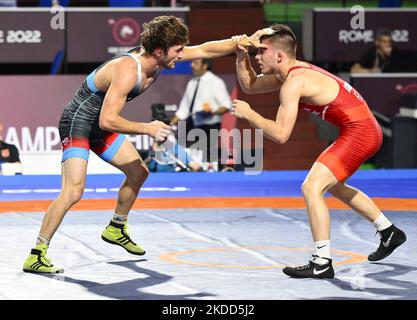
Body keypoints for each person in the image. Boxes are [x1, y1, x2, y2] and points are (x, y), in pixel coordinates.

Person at [22, 15, 252, 274]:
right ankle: (36, 254)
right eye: (178, 51)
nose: (182, 56)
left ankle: (116, 227)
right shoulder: (128, 70)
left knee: (138, 171)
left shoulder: (161, 55)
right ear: (159, 51)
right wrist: (147, 127)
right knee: (74, 191)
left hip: (99, 126)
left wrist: (239, 43)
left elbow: (206, 49)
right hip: (78, 123)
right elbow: (108, 119)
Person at [231, 24, 406, 279]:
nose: (256, 57)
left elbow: (281, 134)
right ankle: (388, 231)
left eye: (260, 52)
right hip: (362, 129)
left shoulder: (294, 81)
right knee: (332, 185)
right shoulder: (289, 74)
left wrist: (249, 114)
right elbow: (249, 85)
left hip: (361, 132)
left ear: (279, 55)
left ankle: (322, 261)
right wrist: (240, 56)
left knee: (311, 187)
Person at [170, 58, 231, 162]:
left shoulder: (215, 82)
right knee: (180, 151)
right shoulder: (192, 82)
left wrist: (211, 112)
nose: (192, 65)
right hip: (192, 123)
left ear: (205, 66)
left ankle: (204, 176)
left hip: (209, 127)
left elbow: (226, 105)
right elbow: (183, 109)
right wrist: (170, 125)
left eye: (196, 63)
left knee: (204, 158)